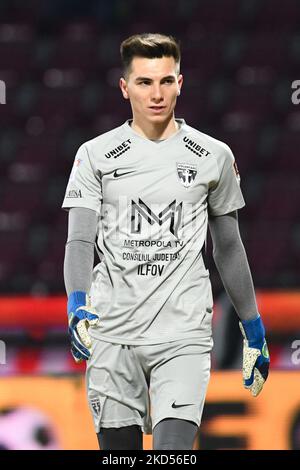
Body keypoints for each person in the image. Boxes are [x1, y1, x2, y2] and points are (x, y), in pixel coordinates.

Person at [62, 33, 270, 450]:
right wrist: (77, 301)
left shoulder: (213, 155)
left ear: (180, 83)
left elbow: (227, 246)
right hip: (112, 333)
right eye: (144, 82)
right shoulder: (95, 155)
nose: (156, 93)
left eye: (165, 81)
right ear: (125, 87)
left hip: (183, 334)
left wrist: (254, 327)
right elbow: (80, 241)